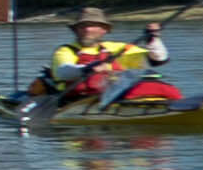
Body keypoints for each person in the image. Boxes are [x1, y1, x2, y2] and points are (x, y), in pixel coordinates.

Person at [40, 7, 168, 103]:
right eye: (82, 26)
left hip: (114, 96)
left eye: (93, 25)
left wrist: (153, 40)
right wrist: (88, 68)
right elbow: (64, 71)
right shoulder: (65, 51)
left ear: (104, 30)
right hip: (77, 100)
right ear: (76, 30)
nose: (87, 30)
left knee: (158, 86)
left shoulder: (117, 48)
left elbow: (158, 59)